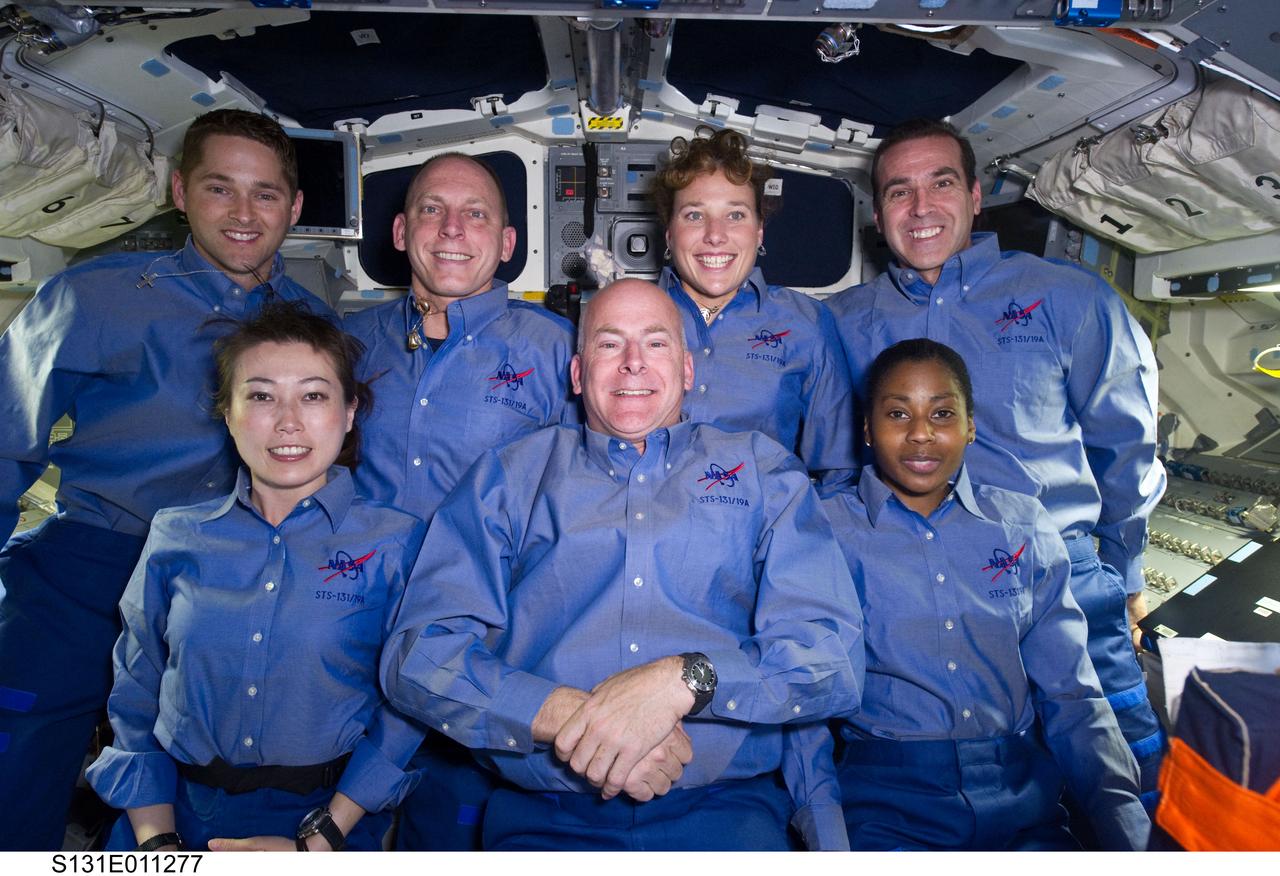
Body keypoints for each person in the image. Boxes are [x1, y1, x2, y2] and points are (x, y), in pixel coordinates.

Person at [380, 278, 864, 851]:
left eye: (655, 343)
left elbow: (831, 656)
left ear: (687, 369)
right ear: (577, 373)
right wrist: (574, 718)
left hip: (726, 815)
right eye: (610, 344)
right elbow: (419, 654)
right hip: (544, 818)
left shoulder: (765, 474)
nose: (633, 362)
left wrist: (680, 682)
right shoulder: (507, 479)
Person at [0, 108, 335, 850]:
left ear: (294, 207)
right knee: (19, 758)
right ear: (181, 192)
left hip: (232, 580)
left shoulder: (312, 323)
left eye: (265, 194)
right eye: (220, 188)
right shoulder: (94, 297)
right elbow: (4, 442)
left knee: (193, 795)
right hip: (88, 567)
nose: (244, 213)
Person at [827, 118, 1167, 804]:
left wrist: (1124, 573)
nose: (921, 207)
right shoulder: (839, 322)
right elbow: (829, 462)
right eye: (899, 191)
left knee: (1131, 786)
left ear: (977, 195)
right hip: (908, 595)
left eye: (941, 183)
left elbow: (1126, 448)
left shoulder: (1069, 297)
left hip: (1064, 574)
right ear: (879, 214)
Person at [85, 302, 425, 852]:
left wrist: (321, 840)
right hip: (171, 813)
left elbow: (408, 707)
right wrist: (157, 839)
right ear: (227, 412)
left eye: (313, 396)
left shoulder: (397, 543)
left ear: (349, 412)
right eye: (262, 396)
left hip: (325, 821)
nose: (288, 421)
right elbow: (136, 689)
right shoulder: (176, 534)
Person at [823, 338, 1149, 851]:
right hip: (886, 806)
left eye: (942, 413)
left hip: (1026, 802)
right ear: (867, 428)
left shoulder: (1023, 525)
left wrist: (1127, 828)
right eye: (897, 414)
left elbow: (1072, 695)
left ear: (971, 426)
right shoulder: (825, 532)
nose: (921, 434)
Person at [343, 152, 577, 850]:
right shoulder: (349, 344)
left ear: (506, 243)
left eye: (475, 214)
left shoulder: (554, 350)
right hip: (351, 627)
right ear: (399, 231)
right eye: (432, 210)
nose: (452, 229)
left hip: (484, 645)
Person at [650, 127, 855, 491]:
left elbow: (837, 474)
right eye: (694, 215)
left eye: (735, 215)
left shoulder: (806, 323)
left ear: (759, 231)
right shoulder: (627, 317)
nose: (715, 235)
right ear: (669, 233)